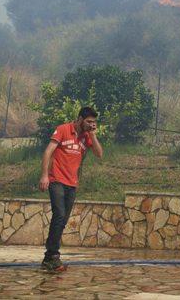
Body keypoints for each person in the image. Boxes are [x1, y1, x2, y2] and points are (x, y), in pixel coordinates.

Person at [39, 106, 103, 271]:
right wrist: (45, 175)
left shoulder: (86, 136)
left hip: (72, 183)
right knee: (59, 215)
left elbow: (99, 154)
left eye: (94, 122)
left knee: (63, 220)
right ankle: (53, 255)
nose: (91, 124)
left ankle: (49, 257)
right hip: (56, 180)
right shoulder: (63, 130)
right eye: (88, 122)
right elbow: (48, 152)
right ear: (80, 119)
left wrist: (92, 134)